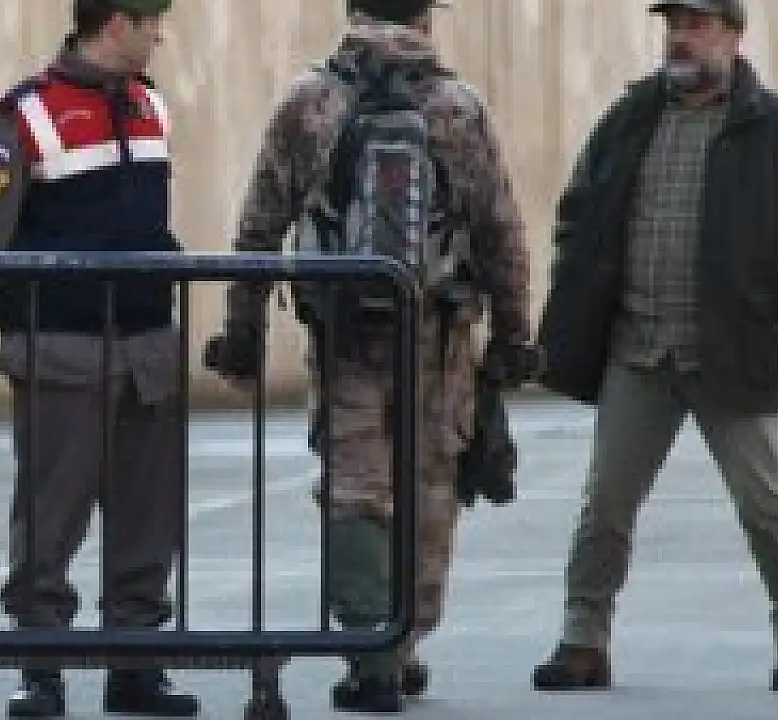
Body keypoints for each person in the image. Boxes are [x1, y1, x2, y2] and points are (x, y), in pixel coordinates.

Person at [203, 0, 534, 712]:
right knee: (431, 480)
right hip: (437, 331)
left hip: (345, 337)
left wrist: (243, 334)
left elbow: (259, 228)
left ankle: (370, 653)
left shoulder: (308, 103)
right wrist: (514, 337)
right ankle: (403, 640)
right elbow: (500, 232)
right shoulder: (457, 108)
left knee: (355, 487)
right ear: (426, 19)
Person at [533, 0, 778, 693]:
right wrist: (578, 283)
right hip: (639, 349)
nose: (680, 38)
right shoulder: (629, 118)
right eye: (673, 25)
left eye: (696, 25)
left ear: (733, 35)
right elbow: (579, 209)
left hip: (732, 349)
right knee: (606, 504)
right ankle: (583, 639)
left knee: (764, 507)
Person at [0, 0, 199, 716]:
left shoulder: (150, 106)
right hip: (64, 351)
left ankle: (136, 665)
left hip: (146, 347)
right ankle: (42, 669)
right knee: (49, 518)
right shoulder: (24, 116)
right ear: (116, 23)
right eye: (151, 22)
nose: (160, 35)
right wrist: (33, 323)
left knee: (148, 519)